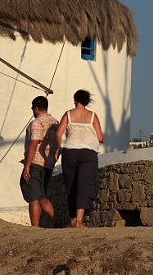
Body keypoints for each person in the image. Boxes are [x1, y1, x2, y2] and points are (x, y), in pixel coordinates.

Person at [55, 89, 104, 228]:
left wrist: (58, 149)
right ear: (87, 101)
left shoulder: (68, 114)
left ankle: (72, 219)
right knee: (85, 185)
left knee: (71, 185)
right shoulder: (93, 116)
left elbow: (58, 133)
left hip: (70, 152)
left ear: (75, 99)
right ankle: (79, 221)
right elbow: (100, 137)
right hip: (88, 154)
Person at [21, 95, 59, 227]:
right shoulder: (56, 123)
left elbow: (33, 144)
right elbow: (58, 144)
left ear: (36, 109)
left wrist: (27, 165)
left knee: (33, 197)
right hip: (48, 165)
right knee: (42, 195)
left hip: (35, 163)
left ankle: (35, 227)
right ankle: (54, 221)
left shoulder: (36, 123)